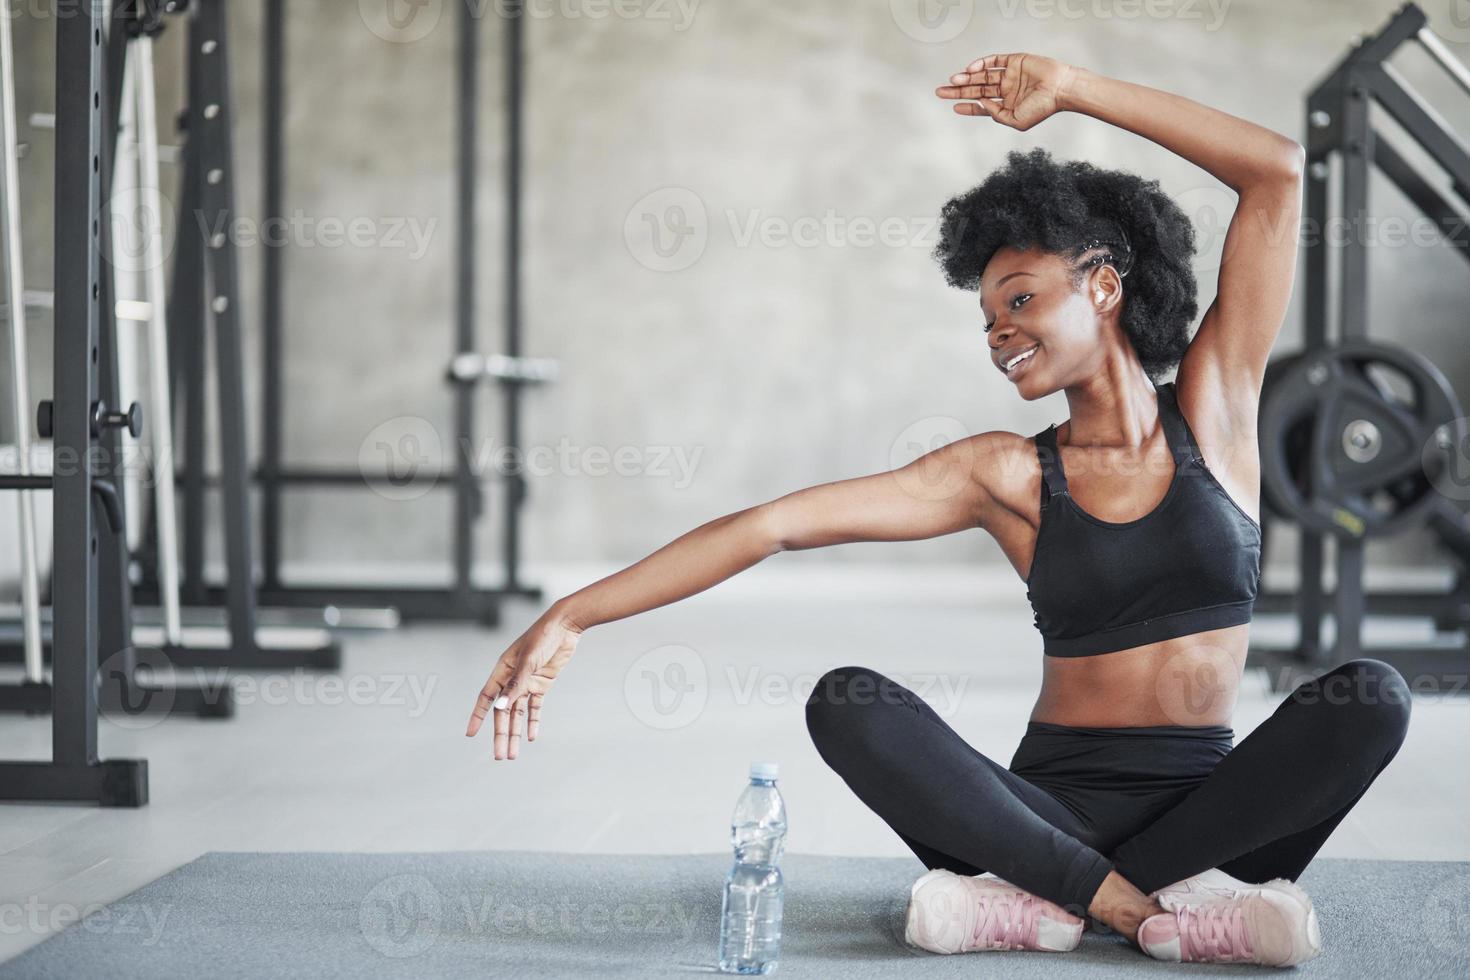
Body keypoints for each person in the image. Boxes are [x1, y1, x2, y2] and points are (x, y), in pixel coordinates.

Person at [466, 52, 1411, 968]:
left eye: (1022, 299)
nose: (1000, 334)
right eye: (988, 318)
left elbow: (1277, 173)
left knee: (1371, 695)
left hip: (1218, 817)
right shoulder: (1001, 475)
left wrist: (1075, 90)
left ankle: (1053, 904)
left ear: (1106, 285)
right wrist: (574, 611)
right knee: (850, 701)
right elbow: (773, 524)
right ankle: (1148, 908)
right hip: (1035, 819)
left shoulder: (1218, 409)